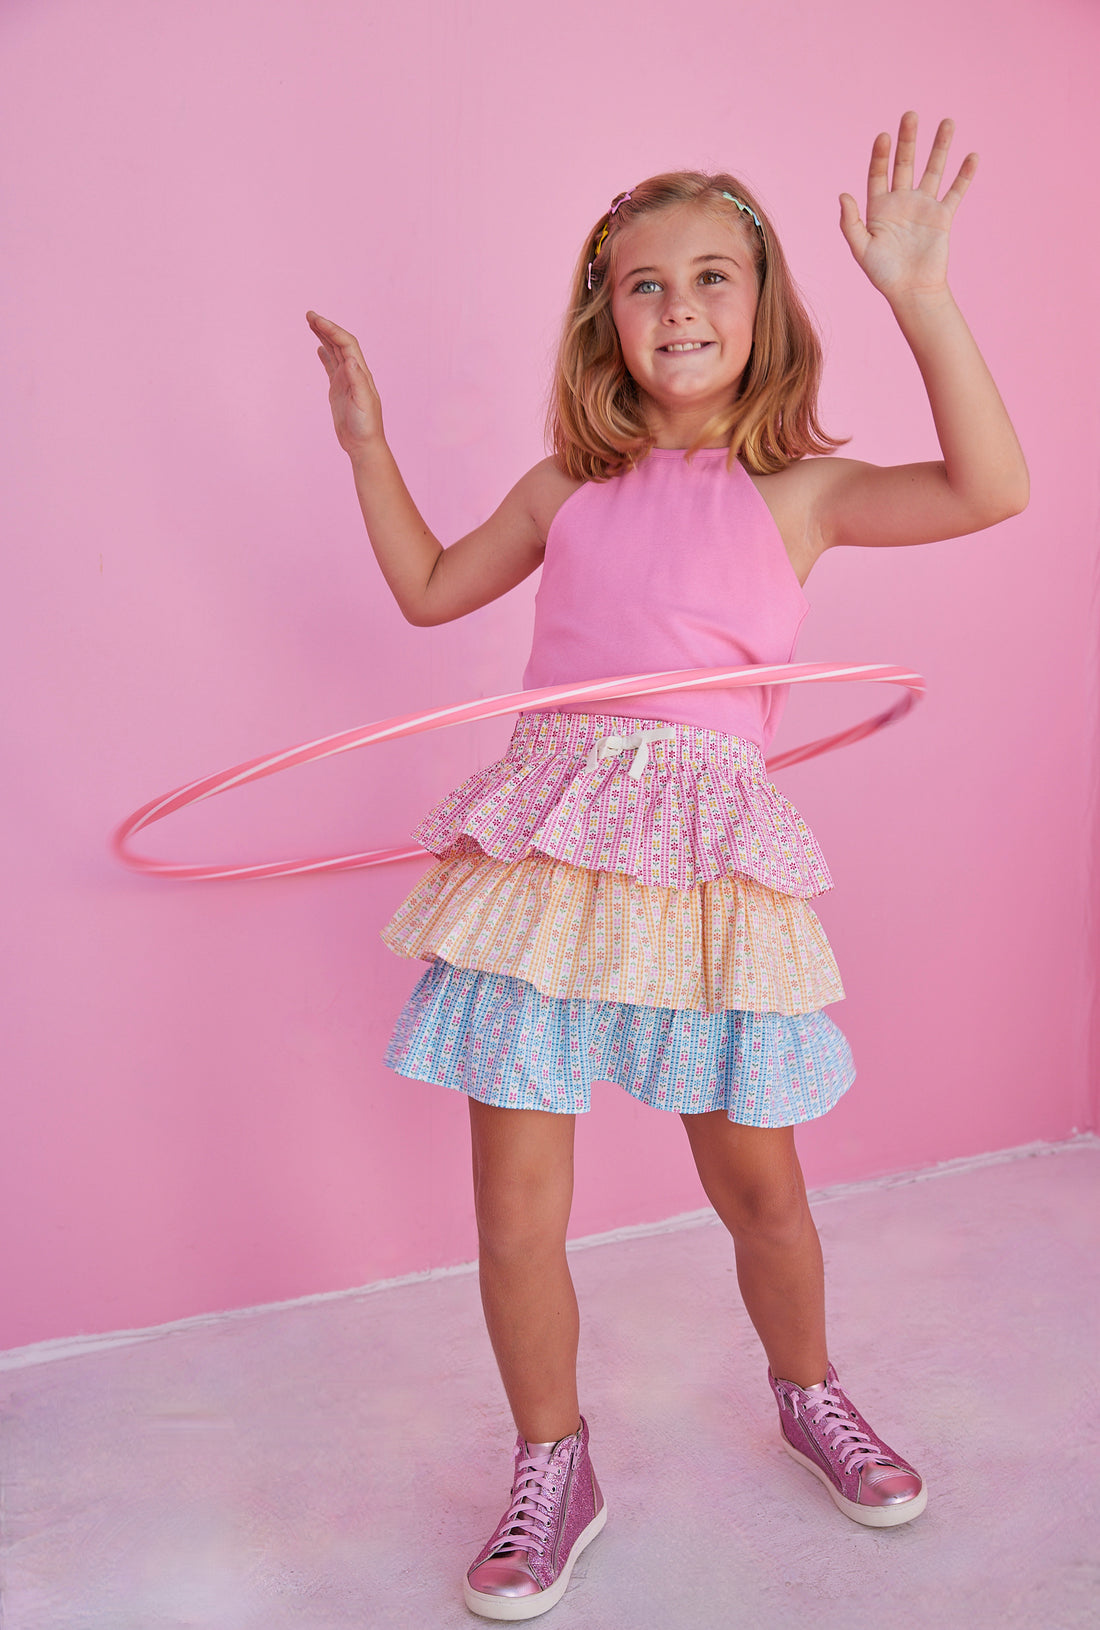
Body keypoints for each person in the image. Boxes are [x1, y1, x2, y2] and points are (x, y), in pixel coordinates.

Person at [307, 111, 1027, 1621]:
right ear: (602, 316)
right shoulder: (565, 493)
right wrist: (367, 449)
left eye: (712, 277)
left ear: (762, 307)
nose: (681, 308)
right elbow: (435, 590)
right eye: (645, 284)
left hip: (704, 867)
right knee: (514, 1200)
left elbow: (991, 489)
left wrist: (922, 296)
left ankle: (809, 1388)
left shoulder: (803, 496)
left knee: (759, 1181)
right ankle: (553, 1461)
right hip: (548, 860)